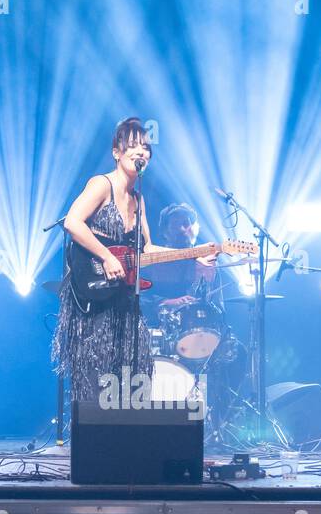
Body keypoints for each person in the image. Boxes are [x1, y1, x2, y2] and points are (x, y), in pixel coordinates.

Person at [53, 117, 214, 402]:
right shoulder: (101, 184)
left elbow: (147, 251)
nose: (141, 152)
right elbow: (73, 222)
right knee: (96, 377)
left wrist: (195, 255)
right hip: (95, 297)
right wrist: (106, 257)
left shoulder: (138, 200)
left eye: (145, 147)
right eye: (133, 146)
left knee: (135, 372)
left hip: (125, 301)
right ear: (117, 152)